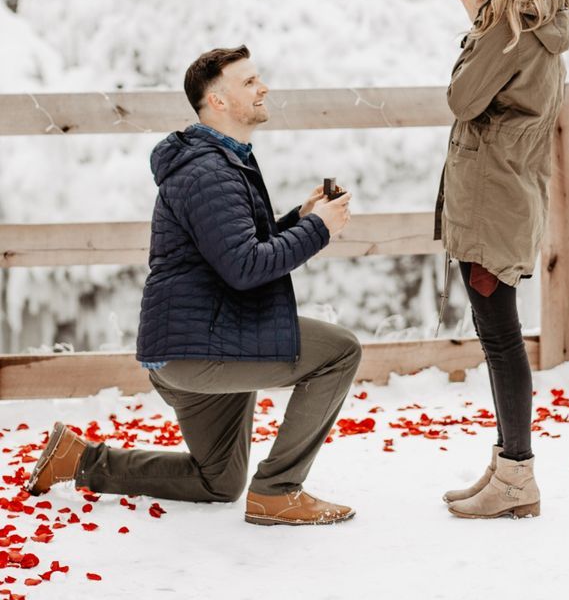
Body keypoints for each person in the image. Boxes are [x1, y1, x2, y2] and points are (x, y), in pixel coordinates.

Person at [26, 45, 361, 527]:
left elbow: (233, 248)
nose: (263, 87)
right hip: (202, 347)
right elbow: (245, 267)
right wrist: (319, 230)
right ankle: (279, 491)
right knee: (341, 351)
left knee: (218, 480)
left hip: (197, 340)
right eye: (248, 82)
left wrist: (300, 219)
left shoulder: (222, 161)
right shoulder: (209, 171)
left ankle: (79, 460)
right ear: (217, 102)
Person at [436, 0, 569, 520]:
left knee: (500, 336)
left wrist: (475, 20)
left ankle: (517, 475)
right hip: (504, 189)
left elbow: (462, 98)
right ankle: (508, 463)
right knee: (499, 335)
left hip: (493, 197)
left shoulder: (507, 27)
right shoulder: (534, 18)